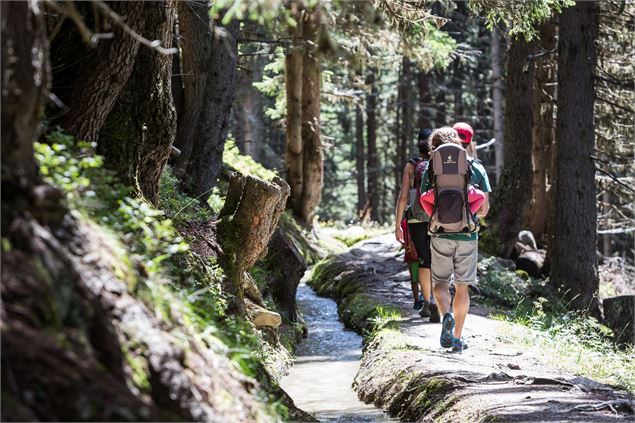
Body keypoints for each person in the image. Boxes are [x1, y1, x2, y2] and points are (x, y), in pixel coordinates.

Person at [420, 126, 491, 351]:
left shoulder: (431, 167)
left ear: (434, 146)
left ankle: (446, 315)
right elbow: (484, 210)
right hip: (468, 234)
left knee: (440, 284)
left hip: (440, 232)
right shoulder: (475, 167)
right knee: (462, 287)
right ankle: (458, 339)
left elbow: (423, 201)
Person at [395, 128, 440, 322]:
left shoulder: (411, 166)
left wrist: (398, 224)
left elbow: (404, 196)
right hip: (437, 218)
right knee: (438, 259)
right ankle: (438, 301)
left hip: (416, 219)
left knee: (423, 260)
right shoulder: (438, 162)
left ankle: (427, 300)